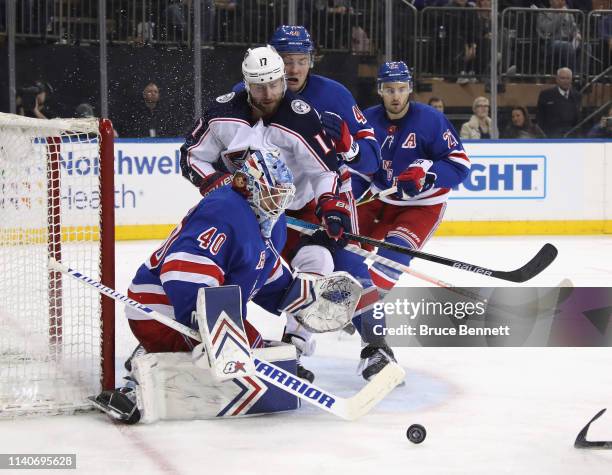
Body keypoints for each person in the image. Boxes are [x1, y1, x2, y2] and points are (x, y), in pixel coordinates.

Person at [180, 45, 356, 381]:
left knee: (318, 262)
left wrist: (331, 208)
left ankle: (296, 346)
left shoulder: (302, 117)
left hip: (298, 210)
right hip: (244, 211)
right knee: (225, 270)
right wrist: (216, 182)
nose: (270, 92)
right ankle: (205, 334)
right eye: (260, 86)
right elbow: (191, 155)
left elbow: (324, 172)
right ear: (246, 83)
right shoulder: (222, 114)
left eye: (275, 83)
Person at [93, 150, 298, 423]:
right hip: (159, 309)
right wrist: (207, 328)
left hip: (205, 306)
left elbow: (263, 269)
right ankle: (138, 383)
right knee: (248, 353)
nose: (278, 202)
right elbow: (182, 271)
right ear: (244, 184)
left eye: (282, 194)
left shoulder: (269, 220)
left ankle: (156, 355)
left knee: (257, 350)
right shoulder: (224, 210)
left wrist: (301, 296)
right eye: (272, 192)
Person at [360, 61, 471, 293]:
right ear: (380, 89)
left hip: (421, 205)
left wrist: (427, 174)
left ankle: (361, 311)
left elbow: (460, 166)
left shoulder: (430, 120)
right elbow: (356, 167)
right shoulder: (367, 119)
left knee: (389, 261)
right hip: (378, 198)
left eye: (401, 88)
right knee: (340, 252)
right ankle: (336, 309)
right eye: (389, 89)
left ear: (410, 88)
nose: (396, 96)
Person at [536, 67, 581, 137]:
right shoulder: (546, 95)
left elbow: (577, 120)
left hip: (571, 137)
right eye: (562, 78)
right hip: (551, 137)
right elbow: (540, 118)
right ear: (557, 79)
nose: (565, 81)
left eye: (568, 78)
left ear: (571, 80)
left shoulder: (577, 95)